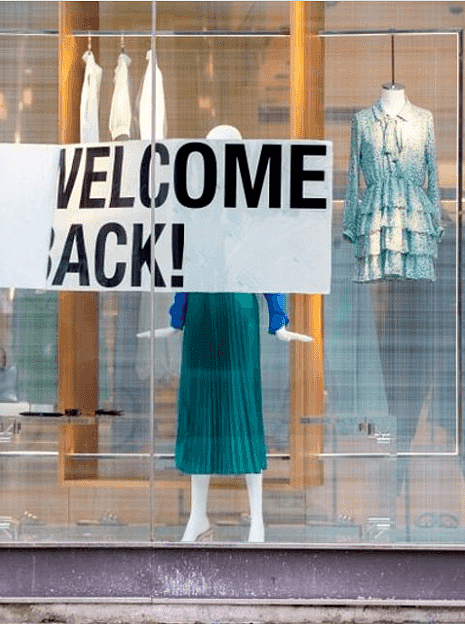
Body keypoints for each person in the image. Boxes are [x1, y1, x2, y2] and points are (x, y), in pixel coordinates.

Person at [172, 125, 313, 544]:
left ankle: (258, 519)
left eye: (227, 150)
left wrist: (278, 318)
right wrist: (177, 315)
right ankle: (197, 515)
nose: (220, 157)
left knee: (242, 404)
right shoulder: (194, 207)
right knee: (199, 409)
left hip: (236, 310)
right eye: (214, 150)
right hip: (202, 309)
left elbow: (267, 264)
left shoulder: (252, 207)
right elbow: (187, 266)